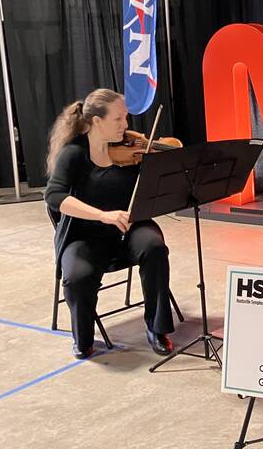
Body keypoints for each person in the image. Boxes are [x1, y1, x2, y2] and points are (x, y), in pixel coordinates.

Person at [44, 89, 175, 359]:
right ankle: (83, 338)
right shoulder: (74, 154)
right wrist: (102, 215)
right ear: (96, 121)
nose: (126, 126)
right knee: (77, 276)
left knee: (155, 248)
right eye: (118, 119)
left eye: (125, 118)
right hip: (84, 235)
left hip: (130, 228)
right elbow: (54, 196)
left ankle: (157, 328)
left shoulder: (131, 151)